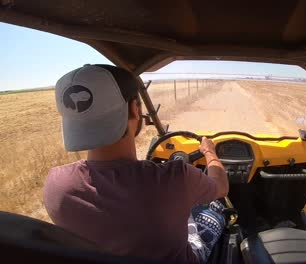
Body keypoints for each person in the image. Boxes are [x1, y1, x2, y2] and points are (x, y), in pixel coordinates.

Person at [43, 64, 229, 263]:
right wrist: (209, 152)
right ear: (134, 109)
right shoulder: (176, 178)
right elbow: (221, 187)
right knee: (215, 210)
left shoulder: (56, 186)